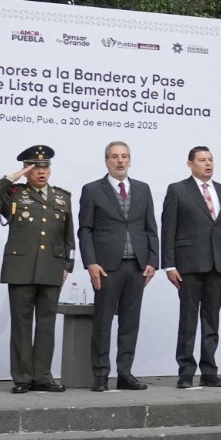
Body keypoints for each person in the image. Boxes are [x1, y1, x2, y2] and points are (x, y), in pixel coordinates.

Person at [0, 145, 74, 393]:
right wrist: (13, 177)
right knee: (22, 324)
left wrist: (68, 264)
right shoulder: (13, 194)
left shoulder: (62, 197)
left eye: (45, 167)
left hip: (52, 267)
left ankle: (43, 376)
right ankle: (22, 377)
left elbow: (69, 236)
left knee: (46, 325)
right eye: (35, 167)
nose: (41, 172)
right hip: (21, 267)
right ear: (26, 170)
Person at [78, 141, 158, 391]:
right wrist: (91, 262)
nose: (120, 161)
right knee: (103, 322)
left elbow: (150, 228)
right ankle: (101, 375)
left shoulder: (143, 189)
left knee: (130, 322)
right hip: (107, 266)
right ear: (106, 161)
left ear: (130, 160)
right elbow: (85, 230)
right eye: (115, 157)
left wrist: (153, 261)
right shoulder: (92, 190)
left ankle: (125, 373)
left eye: (124, 156)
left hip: (137, 266)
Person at [162, 146, 221, 389]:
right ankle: (186, 372)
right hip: (189, 265)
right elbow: (168, 229)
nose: (208, 164)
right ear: (190, 164)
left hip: (219, 265)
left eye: (210, 159)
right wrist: (169, 265)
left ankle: (209, 371)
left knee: (211, 320)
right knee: (188, 320)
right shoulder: (178, 190)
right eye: (202, 160)